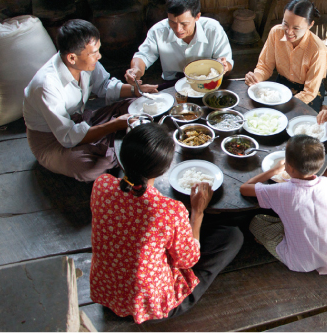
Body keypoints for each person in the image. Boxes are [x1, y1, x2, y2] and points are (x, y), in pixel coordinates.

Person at [90, 123, 243, 324]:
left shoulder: (101, 184)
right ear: (164, 168)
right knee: (233, 237)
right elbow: (188, 260)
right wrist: (197, 212)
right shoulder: (168, 210)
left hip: (106, 290)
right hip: (149, 306)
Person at [23, 19, 158, 182]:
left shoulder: (83, 63)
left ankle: (111, 145)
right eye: (94, 53)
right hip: (52, 140)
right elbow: (67, 137)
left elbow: (105, 85)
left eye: (98, 50)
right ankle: (114, 144)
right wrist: (114, 125)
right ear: (72, 58)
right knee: (88, 168)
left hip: (81, 120)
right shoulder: (46, 85)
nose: (99, 56)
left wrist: (135, 90)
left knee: (135, 103)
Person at [240, 135, 327, 275]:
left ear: (288, 167)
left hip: (299, 261)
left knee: (256, 222)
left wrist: (274, 171)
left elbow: (244, 188)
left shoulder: (283, 191)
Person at [125, 0, 233, 89]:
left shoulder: (213, 29)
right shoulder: (158, 31)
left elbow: (227, 64)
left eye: (184, 24)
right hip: (172, 84)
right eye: (172, 22)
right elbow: (143, 56)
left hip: (206, 82)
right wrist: (136, 70)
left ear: (197, 17)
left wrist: (224, 66)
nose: (178, 29)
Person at [245, 0, 327, 111]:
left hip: (309, 91)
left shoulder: (318, 51)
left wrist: (285, 104)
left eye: (296, 28)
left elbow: (310, 92)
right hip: (283, 83)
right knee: (264, 111)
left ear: (310, 25)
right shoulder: (276, 33)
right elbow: (265, 66)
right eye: (285, 24)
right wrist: (256, 77)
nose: (289, 32)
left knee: (291, 116)